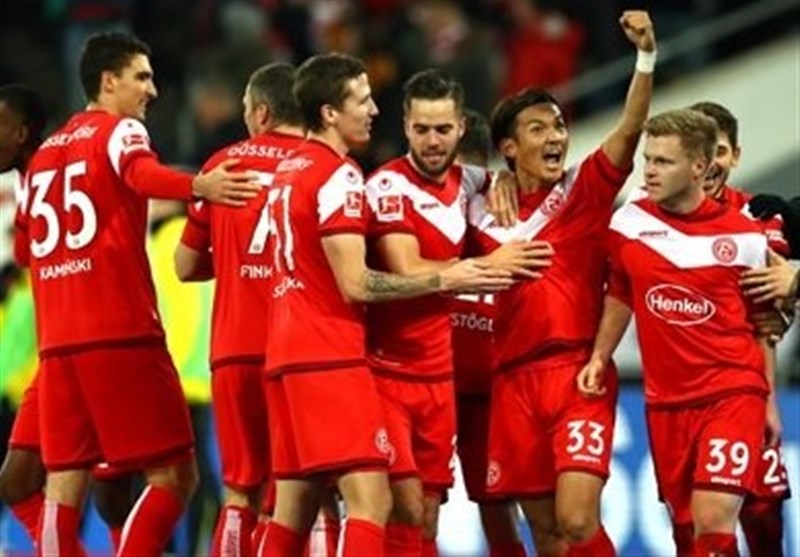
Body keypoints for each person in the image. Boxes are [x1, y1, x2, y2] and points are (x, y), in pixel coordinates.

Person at [14, 31, 260, 555]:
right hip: (120, 334)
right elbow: (141, 173)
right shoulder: (120, 130)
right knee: (175, 475)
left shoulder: (40, 159)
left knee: (63, 484)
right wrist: (198, 187)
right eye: (141, 77)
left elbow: (25, 250)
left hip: (56, 345)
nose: (152, 89)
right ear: (109, 82)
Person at [259, 53, 513, 557]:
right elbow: (357, 284)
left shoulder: (288, 170)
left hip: (286, 350)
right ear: (330, 113)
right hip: (330, 353)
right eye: (362, 100)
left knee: (294, 506)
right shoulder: (342, 175)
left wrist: (500, 176)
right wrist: (449, 276)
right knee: (374, 503)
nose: (372, 110)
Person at [466, 10, 656, 556]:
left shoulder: (584, 191)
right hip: (511, 381)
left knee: (576, 521)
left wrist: (646, 57)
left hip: (577, 374)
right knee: (547, 534)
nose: (556, 137)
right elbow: (436, 178)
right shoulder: (479, 209)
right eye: (539, 129)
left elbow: (629, 129)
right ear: (508, 147)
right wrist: (495, 181)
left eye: (559, 127)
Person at [364, 69, 551, 556]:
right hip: (386, 372)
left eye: (443, 129)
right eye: (422, 129)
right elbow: (406, 268)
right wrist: (485, 267)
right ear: (405, 126)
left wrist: (505, 178)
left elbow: (500, 177)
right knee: (403, 507)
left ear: (461, 128)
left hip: (438, 377)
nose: (432, 141)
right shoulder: (387, 186)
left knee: (427, 514)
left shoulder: (469, 180)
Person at [579, 108, 773, 557]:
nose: (649, 171)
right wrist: (600, 355)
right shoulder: (628, 223)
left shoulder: (746, 237)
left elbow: (765, 322)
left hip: (731, 393)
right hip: (665, 402)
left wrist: (767, 400)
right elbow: (621, 290)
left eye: (663, 162)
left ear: (699, 167)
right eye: (648, 159)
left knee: (714, 519)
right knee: (686, 534)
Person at [174, 62, 307, 556]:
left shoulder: (221, 166)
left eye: (247, 109)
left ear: (262, 112)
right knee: (301, 492)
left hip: (233, 350)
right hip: (299, 352)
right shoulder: (323, 164)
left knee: (238, 490)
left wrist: (232, 261)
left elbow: (185, 265)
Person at [0, 83, 137, 553]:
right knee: (17, 481)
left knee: (109, 491)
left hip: (100, 341)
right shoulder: (31, 181)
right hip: (55, 354)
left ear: (21, 132)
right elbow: (25, 253)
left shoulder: (62, 165)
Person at [689, 100, 792, 556]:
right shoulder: (646, 220)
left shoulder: (761, 217)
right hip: (678, 399)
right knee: (693, 528)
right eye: (700, 149)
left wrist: (789, 298)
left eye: (720, 150)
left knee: (763, 512)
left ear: (736, 155)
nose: (710, 161)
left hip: (746, 389)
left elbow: (768, 309)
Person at [451, 109, 526, 556]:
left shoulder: (507, 206)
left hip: (494, 384)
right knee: (413, 505)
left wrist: (504, 180)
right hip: (429, 377)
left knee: (498, 502)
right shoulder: (406, 198)